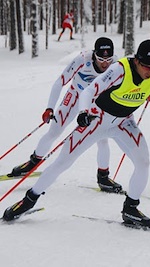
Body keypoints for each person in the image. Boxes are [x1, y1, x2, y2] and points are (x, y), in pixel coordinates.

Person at [3, 40, 150, 225]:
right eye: (147, 67)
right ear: (137, 60)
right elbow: (89, 90)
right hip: (97, 120)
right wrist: (83, 112)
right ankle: (28, 200)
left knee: (143, 162)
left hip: (123, 122)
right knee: (63, 162)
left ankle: (130, 209)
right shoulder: (119, 69)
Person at [8, 37, 123, 194]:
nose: (105, 63)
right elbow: (59, 82)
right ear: (94, 54)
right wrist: (49, 108)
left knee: (102, 140)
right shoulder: (82, 59)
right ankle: (32, 163)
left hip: (94, 103)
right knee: (54, 131)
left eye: (108, 59)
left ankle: (103, 177)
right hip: (74, 97)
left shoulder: (117, 64)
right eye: (101, 59)